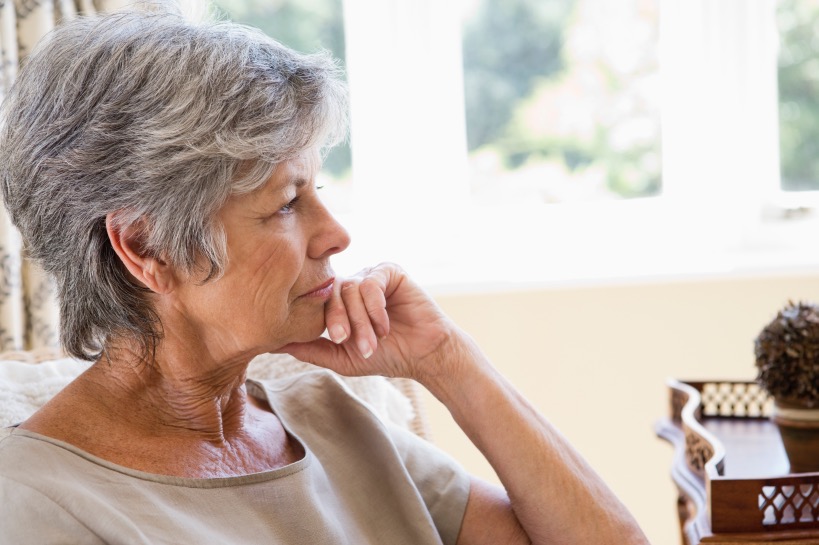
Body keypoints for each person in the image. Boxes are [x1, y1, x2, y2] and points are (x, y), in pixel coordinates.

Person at [0, 6, 650, 545]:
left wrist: (450, 361)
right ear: (147, 246)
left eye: (316, 189)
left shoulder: (330, 418)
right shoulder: (37, 503)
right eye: (285, 202)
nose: (335, 234)